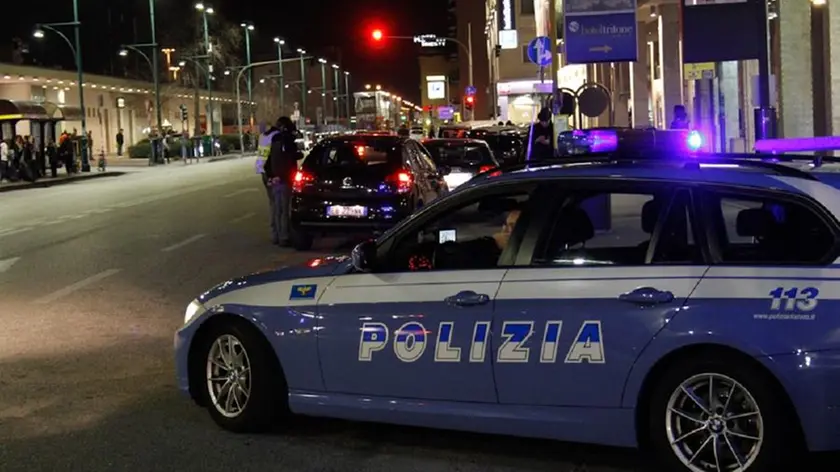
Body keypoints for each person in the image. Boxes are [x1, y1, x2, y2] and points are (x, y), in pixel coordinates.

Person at [263, 117, 301, 246]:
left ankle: (276, 235)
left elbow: (266, 161)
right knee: (284, 209)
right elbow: (290, 158)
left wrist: (270, 176)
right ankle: (284, 236)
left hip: (273, 178)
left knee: (276, 208)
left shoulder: (270, 138)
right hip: (284, 178)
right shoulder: (285, 140)